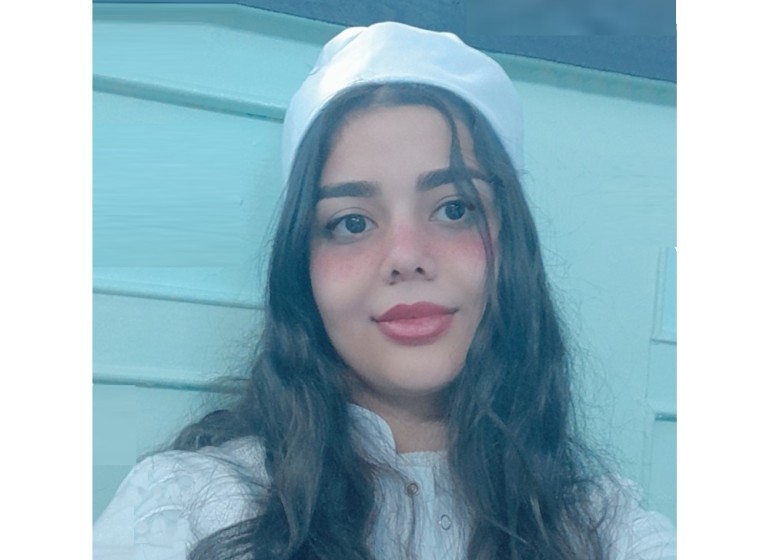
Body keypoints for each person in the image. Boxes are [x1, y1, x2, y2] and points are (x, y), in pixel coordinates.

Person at [93, 22, 676, 560]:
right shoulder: (184, 510)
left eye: (454, 209)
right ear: (302, 265)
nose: (405, 257)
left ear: (512, 247)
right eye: (352, 222)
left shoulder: (603, 527)